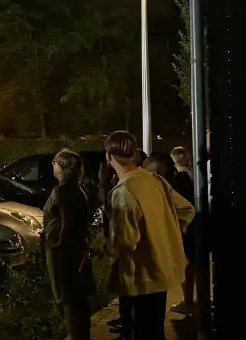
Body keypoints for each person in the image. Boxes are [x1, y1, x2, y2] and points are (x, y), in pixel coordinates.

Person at [97, 131, 195, 340]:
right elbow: (187, 209)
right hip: (159, 274)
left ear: (108, 156)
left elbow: (123, 243)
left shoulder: (123, 193)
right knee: (154, 332)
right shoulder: (155, 180)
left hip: (138, 280)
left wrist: (99, 247)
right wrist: (164, 232)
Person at [44, 149, 96, 340]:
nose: (53, 166)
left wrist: (58, 243)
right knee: (79, 297)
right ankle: (82, 334)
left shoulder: (61, 190)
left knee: (69, 297)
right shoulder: (77, 188)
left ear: (62, 167)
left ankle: (74, 335)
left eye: (55, 163)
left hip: (65, 251)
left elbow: (67, 219)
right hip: (78, 247)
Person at [169, 147, 196, 315]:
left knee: (185, 264)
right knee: (195, 263)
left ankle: (187, 301)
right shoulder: (195, 175)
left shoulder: (178, 179)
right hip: (197, 224)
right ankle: (195, 298)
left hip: (186, 227)